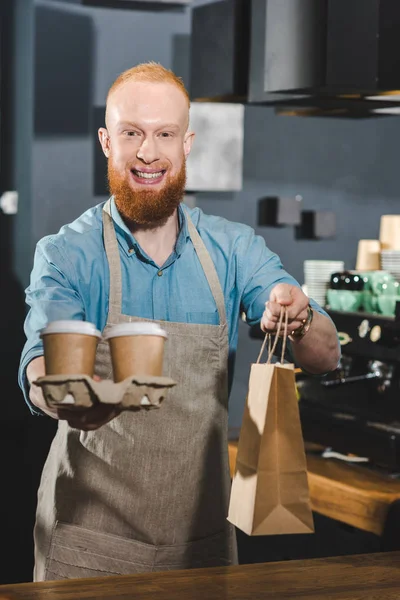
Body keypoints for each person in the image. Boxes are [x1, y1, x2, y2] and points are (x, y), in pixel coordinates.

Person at [19, 62, 340, 581]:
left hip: (203, 548)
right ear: (106, 141)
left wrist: (297, 314)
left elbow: (325, 356)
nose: (148, 152)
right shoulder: (66, 254)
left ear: (187, 142)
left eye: (164, 134)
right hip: (88, 548)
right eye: (131, 134)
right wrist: (63, 397)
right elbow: (39, 364)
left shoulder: (233, 249)